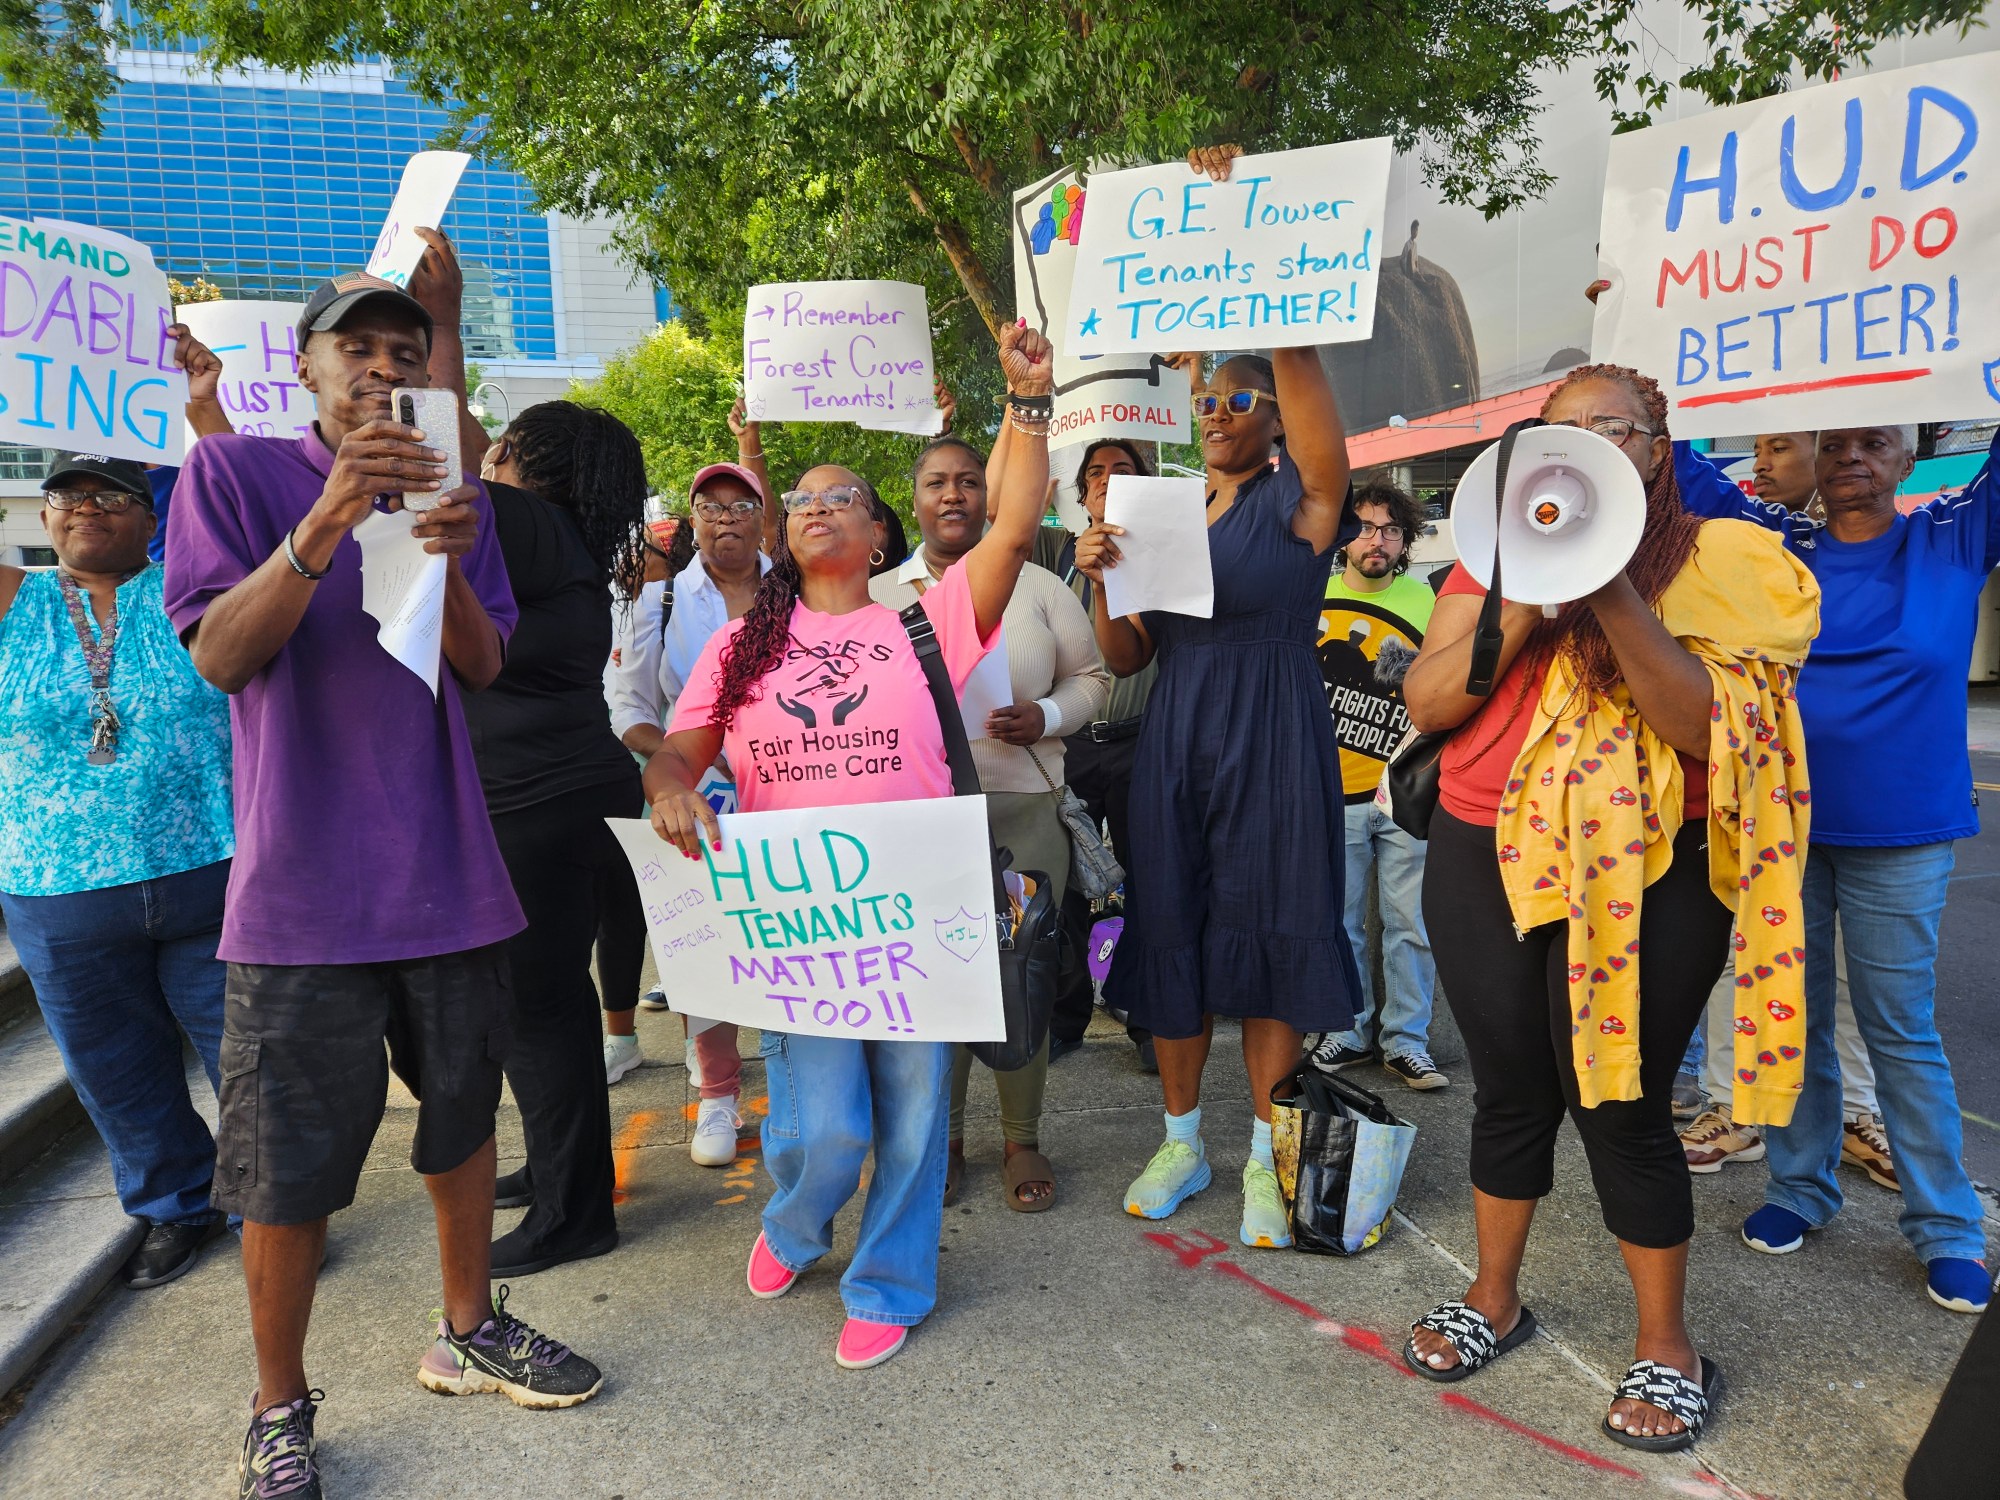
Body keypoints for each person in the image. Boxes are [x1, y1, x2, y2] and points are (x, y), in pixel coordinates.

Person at [165, 259, 601, 1499]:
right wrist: (331, 517)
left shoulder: (449, 493)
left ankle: (466, 1330)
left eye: (408, 353)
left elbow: (478, 666)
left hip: (448, 879)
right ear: (305, 370)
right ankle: (278, 1408)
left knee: (462, 1126)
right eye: (357, 349)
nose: (385, 368)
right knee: (286, 1174)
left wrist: (447, 552)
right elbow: (221, 659)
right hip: (299, 902)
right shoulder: (234, 475)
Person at [1398, 362, 1817, 1452]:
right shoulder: (1491, 556)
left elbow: (1700, 731)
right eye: (1562, 429)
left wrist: (1608, 586)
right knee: (1506, 1089)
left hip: (1643, 872)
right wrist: (1531, 597)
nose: (1587, 444)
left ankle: (1668, 1346)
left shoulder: (1719, 562)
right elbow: (1430, 698)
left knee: (1618, 1100)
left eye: (1614, 429)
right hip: (1476, 849)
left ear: (1655, 449)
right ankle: (1493, 1297)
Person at [645, 322, 1054, 1370]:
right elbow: (677, 755)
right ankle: (793, 1221)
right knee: (822, 1129)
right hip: (803, 925)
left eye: (843, 499)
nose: (818, 507)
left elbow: (1011, 528)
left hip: (917, 918)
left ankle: (888, 1281)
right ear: (786, 535)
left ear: (879, 538)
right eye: (804, 501)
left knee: (914, 1118)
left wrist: (1026, 406)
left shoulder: (927, 622)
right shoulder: (742, 646)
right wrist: (671, 791)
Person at [1075, 144, 1364, 1250]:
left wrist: (1258, 260)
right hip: (1177, 730)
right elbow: (1127, 651)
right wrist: (1103, 577)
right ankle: (1184, 1137)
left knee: (1277, 929)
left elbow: (1316, 422)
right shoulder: (1154, 503)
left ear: (1271, 416)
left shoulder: (1303, 500)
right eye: (1203, 397)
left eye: (1235, 397)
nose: (1213, 410)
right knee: (1176, 927)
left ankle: (1261, 1158)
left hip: (1275, 727)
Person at [1674, 419, 2000, 1313]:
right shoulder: (1775, 541)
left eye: (1878, 442)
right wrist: (1635, 342)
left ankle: (1948, 1227)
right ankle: (1798, 1189)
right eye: (1838, 443)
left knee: (1900, 1028)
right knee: (1793, 1016)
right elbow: (1676, 469)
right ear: (1814, 460)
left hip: (1905, 832)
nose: (1855, 456)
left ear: (1907, 457)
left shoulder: (1954, 534)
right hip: (1783, 828)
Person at [0, 438, 233, 1291]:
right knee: (113, 1067)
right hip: (58, 889)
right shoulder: (12, 600)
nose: (86, 505)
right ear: (43, 514)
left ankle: (268, 1211)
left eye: (110, 493)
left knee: (249, 1056)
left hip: (211, 868)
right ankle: (173, 1204)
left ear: (152, 514)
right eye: (67, 493)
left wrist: (202, 414)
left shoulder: (196, 595)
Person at [871, 432, 1108, 1210]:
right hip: (920, 824)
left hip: (1024, 806)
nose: (953, 495)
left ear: (991, 497)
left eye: (969, 482)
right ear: (912, 499)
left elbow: (1095, 678)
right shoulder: (879, 599)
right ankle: (941, 1140)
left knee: (1021, 975)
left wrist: (1044, 715)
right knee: (933, 980)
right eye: (936, 482)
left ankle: (1022, 1137)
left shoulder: (1040, 585)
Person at [1672, 432, 1890, 1186]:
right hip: (1763, 797)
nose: (1761, 464)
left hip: (1878, 809)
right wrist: (1645, 332)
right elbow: (1675, 464)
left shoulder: (1932, 542)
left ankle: (1859, 1114)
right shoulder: (1752, 539)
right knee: (1750, 961)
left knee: (1861, 994)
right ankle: (1741, 1110)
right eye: (1757, 448)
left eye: (1782, 449)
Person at [463, 398, 650, 1276]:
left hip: (537, 807)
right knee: (547, 1005)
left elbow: (438, 468)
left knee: (536, 1012)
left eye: (500, 450)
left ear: (530, 466)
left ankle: (573, 1212)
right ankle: (556, 1168)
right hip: (559, 796)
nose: (487, 464)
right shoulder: (554, 538)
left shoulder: (525, 522)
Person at [607, 461, 774, 1164]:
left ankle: (798, 1081)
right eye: (712, 505)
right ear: (693, 520)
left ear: (764, 519)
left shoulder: (803, 596)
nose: (726, 518)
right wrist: (681, 764)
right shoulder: (656, 604)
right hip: (698, 800)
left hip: (792, 794)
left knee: (796, 938)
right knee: (704, 946)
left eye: (741, 506)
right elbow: (629, 709)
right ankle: (717, 1094)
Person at [1309, 476, 1446, 1090]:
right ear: (1343, 535)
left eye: (1390, 530)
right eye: (1364, 527)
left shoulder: (1430, 603)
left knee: (1411, 922)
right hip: (1328, 788)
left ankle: (1408, 1041)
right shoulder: (1310, 593)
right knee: (1339, 921)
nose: (1377, 541)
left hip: (1405, 790)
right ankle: (1347, 1029)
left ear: (1405, 540)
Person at [1043, 438, 1159, 1072]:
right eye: (1096, 474)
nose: (1108, 482)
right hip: (1072, 748)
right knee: (1063, 887)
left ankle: (1146, 1020)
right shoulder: (1056, 554)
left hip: (1146, 745)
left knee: (1149, 882)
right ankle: (1067, 1017)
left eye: (1124, 471)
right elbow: (1003, 509)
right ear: (1081, 495)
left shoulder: (1166, 557)